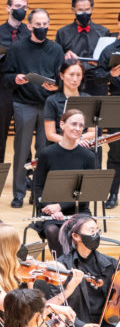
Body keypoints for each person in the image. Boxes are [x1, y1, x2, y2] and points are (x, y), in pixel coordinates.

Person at [3, 8, 64, 207]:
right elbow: (6, 76)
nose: (42, 28)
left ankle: (38, 193)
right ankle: (19, 194)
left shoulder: (55, 49)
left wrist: (56, 86)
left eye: (45, 24)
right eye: (38, 25)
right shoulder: (17, 48)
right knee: (21, 150)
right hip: (24, 104)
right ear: (29, 26)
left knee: (44, 151)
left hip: (48, 105)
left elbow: (61, 78)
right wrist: (16, 79)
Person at [32, 108, 98, 258]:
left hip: (78, 210)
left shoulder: (88, 156)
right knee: (51, 230)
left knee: (89, 230)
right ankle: (63, 267)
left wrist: (60, 206)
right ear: (62, 125)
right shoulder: (46, 154)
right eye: (73, 124)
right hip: (50, 211)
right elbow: (38, 187)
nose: (77, 128)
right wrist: (51, 208)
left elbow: (86, 193)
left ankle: (82, 266)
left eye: (81, 126)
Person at [58, 214, 118, 327]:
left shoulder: (110, 263)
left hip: (104, 324)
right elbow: (57, 305)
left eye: (97, 230)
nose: (96, 235)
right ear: (76, 236)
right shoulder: (62, 266)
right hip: (75, 326)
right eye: (91, 231)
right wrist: (80, 325)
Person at [0, 0, 30, 164]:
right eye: (18, 6)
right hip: (4, 90)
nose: (22, 10)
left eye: (25, 7)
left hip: (25, 90)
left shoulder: (29, 32)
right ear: (8, 8)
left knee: (25, 135)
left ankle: (25, 175)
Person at [56, 0, 109, 97]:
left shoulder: (103, 32)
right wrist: (66, 57)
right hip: (73, 82)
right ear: (73, 9)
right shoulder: (62, 33)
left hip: (97, 82)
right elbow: (57, 60)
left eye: (87, 9)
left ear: (92, 8)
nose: (84, 13)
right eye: (80, 10)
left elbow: (108, 59)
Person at [97, 18, 120, 209]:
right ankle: (112, 194)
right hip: (116, 103)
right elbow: (96, 76)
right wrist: (109, 76)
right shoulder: (109, 50)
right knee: (116, 152)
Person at [43, 60, 93, 145]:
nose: (75, 79)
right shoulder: (52, 101)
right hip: (60, 146)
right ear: (61, 75)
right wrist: (73, 141)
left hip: (83, 145)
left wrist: (79, 140)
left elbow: (93, 132)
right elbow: (50, 134)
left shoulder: (89, 99)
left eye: (78, 75)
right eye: (71, 74)